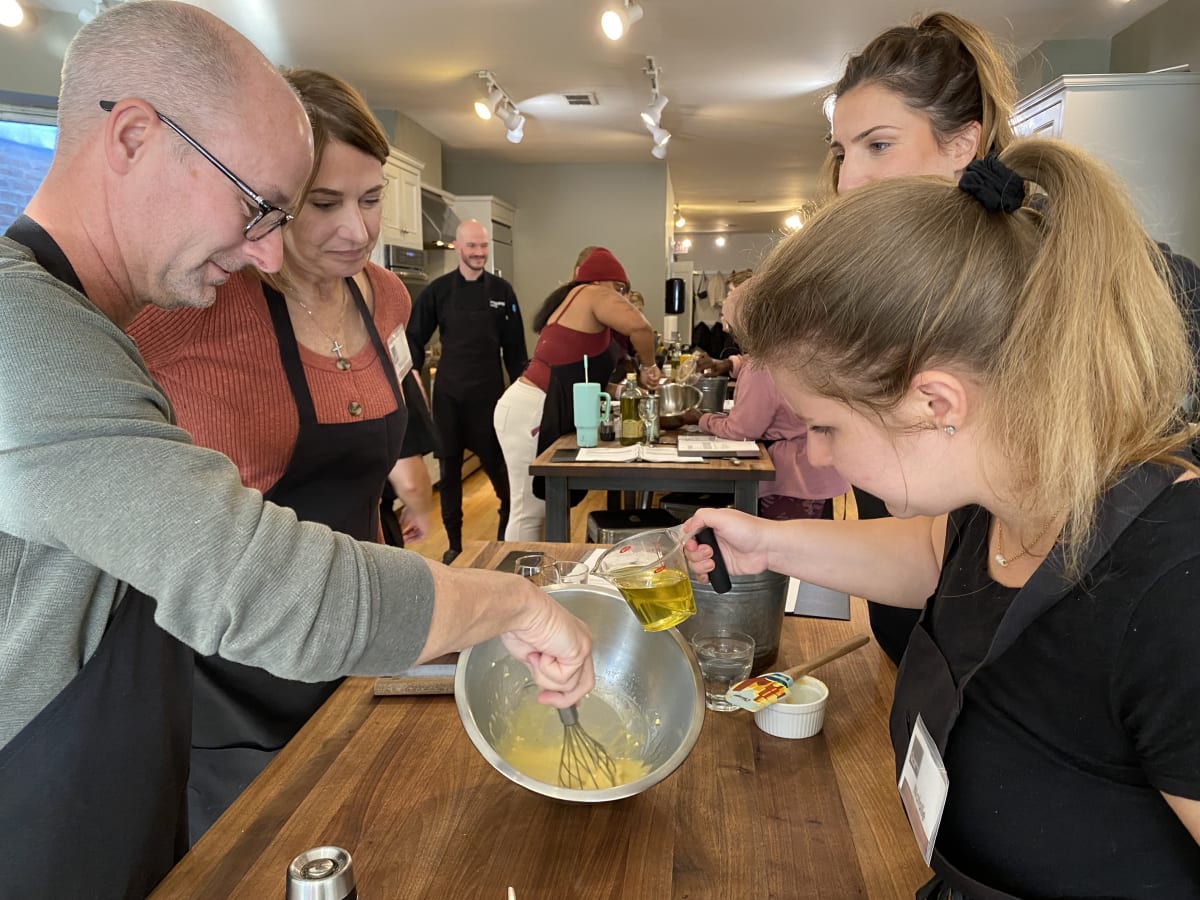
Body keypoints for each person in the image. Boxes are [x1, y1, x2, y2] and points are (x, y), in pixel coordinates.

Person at [0, 4, 592, 897]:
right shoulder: (26, 337)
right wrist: (511, 605)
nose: (271, 249)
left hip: (123, 765)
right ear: (131, 137)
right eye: (258, 206)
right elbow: (251, 579)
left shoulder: (83, 323)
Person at [685, 141, 1200, 897]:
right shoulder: (1000, 499)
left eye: (826, 426)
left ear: (935, 404)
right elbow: (933, 555)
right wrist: (767, 543)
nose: (820, 457)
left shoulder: (1174, 588)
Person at [126, 68, 437, 840]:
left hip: (356, 632)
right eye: (324, 204)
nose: (357, 232)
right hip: (229, 673)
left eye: (370, 200)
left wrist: (419, 496)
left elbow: (388, 411)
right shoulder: (188, 307)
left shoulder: (385, 297)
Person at [494, 247, 660, 540]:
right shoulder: (593, 293)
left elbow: (576, 375)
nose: (620, 297)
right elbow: (641, 329)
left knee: (542, 508)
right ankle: (519, 581)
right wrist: (650, 367)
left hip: (533, 406)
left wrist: (620, 390)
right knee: (529, 511)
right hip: (531, 409)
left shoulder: (576, 303)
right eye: (620, 288)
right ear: (603, 280)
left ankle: (540, 579)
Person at [407, 218, 526, 563]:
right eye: (472, 246)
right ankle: (454, 546)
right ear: (458, 247)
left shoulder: (503, 293)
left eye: (483, 246)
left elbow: (517, 352)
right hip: (449, 399)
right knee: (449, 475)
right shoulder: (438, 291)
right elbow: (413, 338)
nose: (479, 253)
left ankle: (504, 539)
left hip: (490, 399)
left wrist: (525, 400)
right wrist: (411, 377)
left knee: (502, 477)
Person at [681, 285, 848, 521]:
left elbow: (740, 429)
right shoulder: (796, 348)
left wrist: (700, 419)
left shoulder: (760, 366)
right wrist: (730, 364)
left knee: (785, 553)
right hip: (819, 472)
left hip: (792, 478)